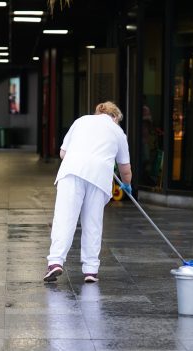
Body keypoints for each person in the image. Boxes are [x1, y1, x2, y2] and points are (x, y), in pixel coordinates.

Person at [44, 101, 133, 284]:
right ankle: (91, 270)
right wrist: (127, 185)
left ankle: (55, 262)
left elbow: (62, 153)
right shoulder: (118, 132)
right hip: (99, 176)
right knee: (92, 223)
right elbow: (125, 168)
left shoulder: (81, 121)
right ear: (115, 117)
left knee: (64, 218)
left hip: (72, 172)